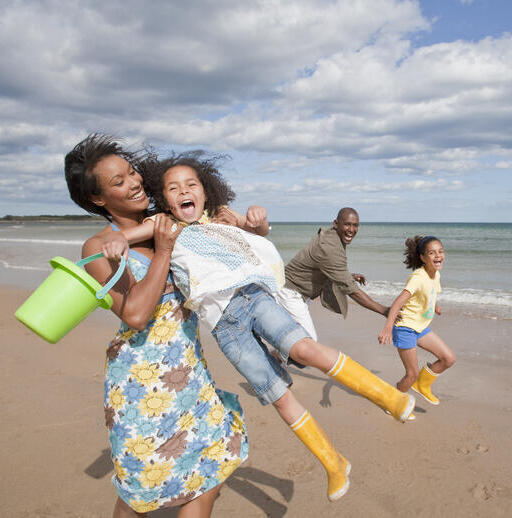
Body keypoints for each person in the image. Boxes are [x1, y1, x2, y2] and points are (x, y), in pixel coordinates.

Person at [105, 152, 416, 502]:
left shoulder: (221, 218)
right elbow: (131, 235)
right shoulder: (166, 225)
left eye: (191, 185)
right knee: (279, 397)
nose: (183, 192)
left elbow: (258, 232)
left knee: (304, 349)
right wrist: (118, 241)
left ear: (205, 192)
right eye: (173, 189)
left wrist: (259, 218)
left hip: (253, 297)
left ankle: (388, 396)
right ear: (165, 200)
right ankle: (333, 463)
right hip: (225, 327)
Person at [64, 135, 248, 517]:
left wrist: (248, 227)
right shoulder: (99, 247)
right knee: (141, 490)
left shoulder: (169, 224)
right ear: (98, 199)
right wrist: (163, 250)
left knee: (209, 469)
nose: (133, 183)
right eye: (118, 182)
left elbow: (233, 262)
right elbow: (134, 314)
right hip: (141, 381)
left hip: (189, 369)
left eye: (132, 172)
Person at [277, 207, 389, 340]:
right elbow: (352, 290)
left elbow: (326, 267)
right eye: (347, 224)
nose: (351, 230)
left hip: (295, 292)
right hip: (290, 293)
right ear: (336, 224)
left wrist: (349, 276)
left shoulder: (333, 237)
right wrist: (385, 311)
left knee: (296, 343)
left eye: (355, 225)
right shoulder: (330, 247)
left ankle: (274, 359)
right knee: (308, 342)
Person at [378, 236, 456, 406]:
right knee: (411, 374)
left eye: (440, 251)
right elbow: (398, 302)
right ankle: (392, 403)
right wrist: (388, 327)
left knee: (448, 358)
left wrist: (434, 305)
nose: (438, 256)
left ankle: (423, 385)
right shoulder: (418, 277)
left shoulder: (435, 275)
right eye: (432, 253)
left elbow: (430, 292)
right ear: (422, 257)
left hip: (421, 328)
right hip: (405, 328)